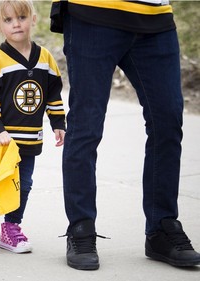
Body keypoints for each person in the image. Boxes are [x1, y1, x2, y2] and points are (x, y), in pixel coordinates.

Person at [50, 0, 200, 270]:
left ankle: (161, 228)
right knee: (87, 125)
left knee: (167, 120)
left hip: (155, 17)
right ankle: (81, 228)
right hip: (92, 13)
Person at [0, 0, 66, 253]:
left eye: (22, 17)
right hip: (0, 140)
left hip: (30, 139)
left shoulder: (45, 58)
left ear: (33, 19)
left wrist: (58, 122)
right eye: (9, 20)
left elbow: (53, 93)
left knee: (23, 184)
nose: (16, 24)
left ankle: (12, 227)